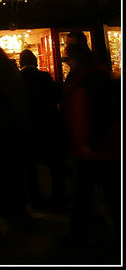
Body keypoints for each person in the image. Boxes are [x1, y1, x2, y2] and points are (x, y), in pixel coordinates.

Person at [61, 41, 120, 248]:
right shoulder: (95, 76)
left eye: (69, 58)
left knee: (87, 194)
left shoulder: (91, 80)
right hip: (96, 147)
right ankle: (91, 234)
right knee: (106, 193)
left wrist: (91, 141)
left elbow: (100, 112)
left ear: (78, 59)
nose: (68, 62)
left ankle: (80, 237)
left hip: (94, 148)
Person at [0, 43, 30, 223]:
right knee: (16, 168)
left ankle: (5, 206)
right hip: (18, 126)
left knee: (3, 169)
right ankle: (18, 206)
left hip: (0, 129)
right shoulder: (12, 71)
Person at [19, 49, 66, 208]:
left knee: (30, 166)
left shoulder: (18, 78)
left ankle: (34, 200)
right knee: (55, 165)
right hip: (49, 124)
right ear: (35, 61)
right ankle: (59, 198)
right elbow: (56, 96)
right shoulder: (44, 77)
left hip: (28, 125)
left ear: (21, 62)